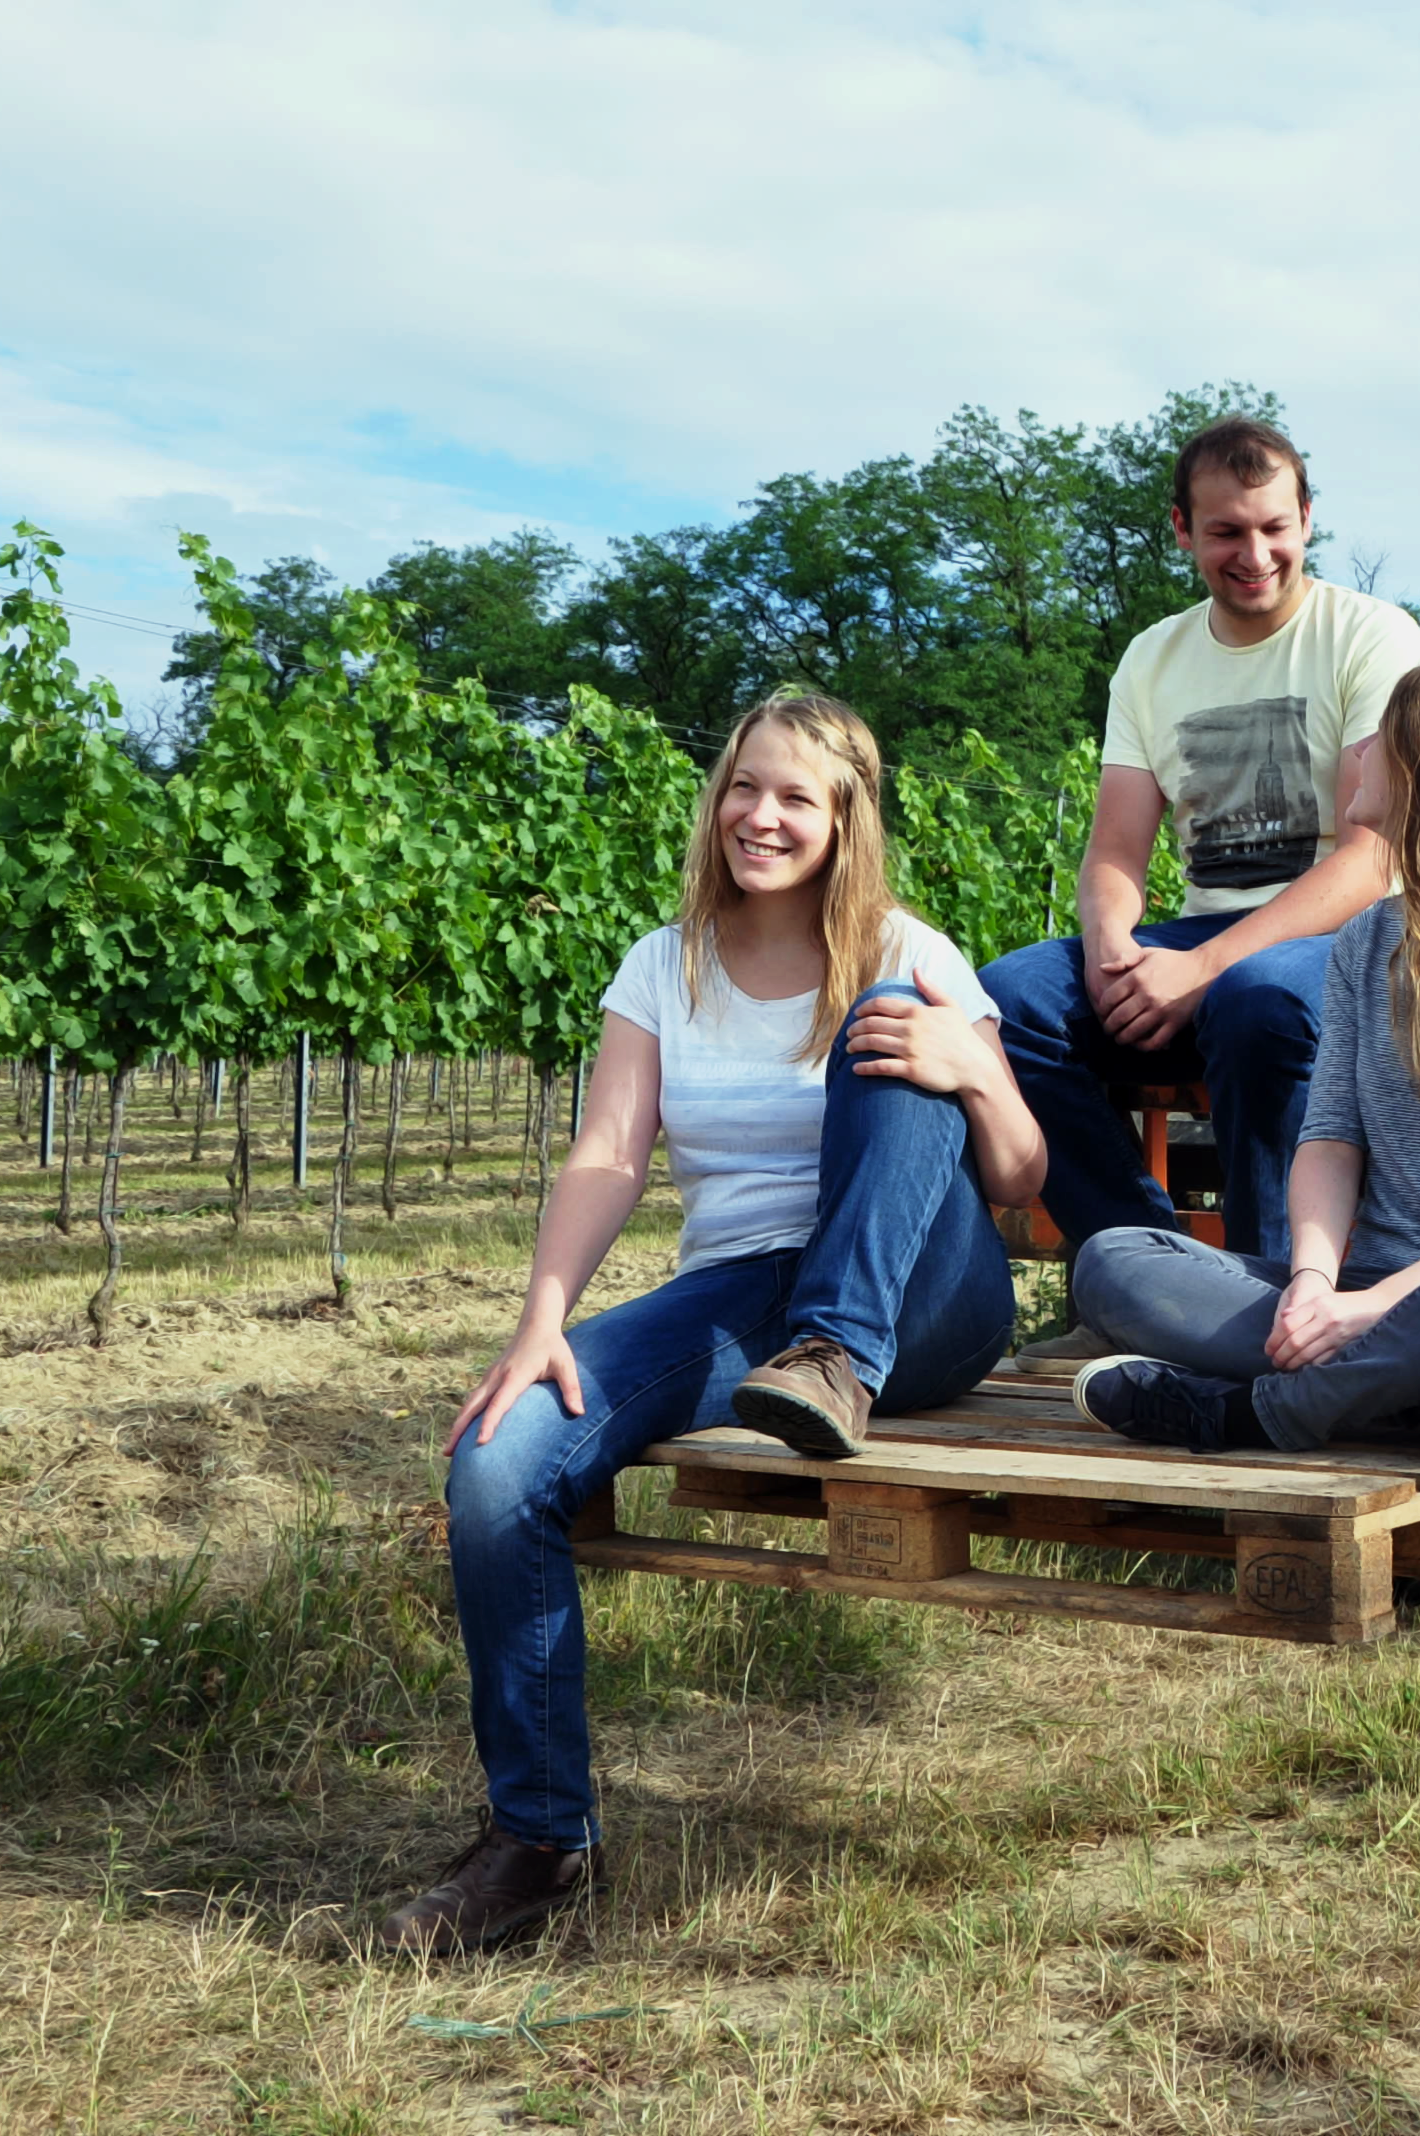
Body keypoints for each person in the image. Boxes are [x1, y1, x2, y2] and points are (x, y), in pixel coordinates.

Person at [375, 690, 1045, 1957]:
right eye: (746, 786)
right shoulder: (662, 962)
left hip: (927, 1296)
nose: (762, 815)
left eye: (797, 795)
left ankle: (842, 1352)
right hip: (750, 1298)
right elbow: (610, 1156)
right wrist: (540, 1321)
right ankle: (538, 1839)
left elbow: (1017, 1178)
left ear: (846, 818)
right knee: (498, 1458)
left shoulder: (914, 948)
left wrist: (967, 1066)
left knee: (887, 1026)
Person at [1062, 660, 1420, 1463]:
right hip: (1363, 1296)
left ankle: (1261, 1415)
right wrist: (1312, 1285)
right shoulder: (1366, 943)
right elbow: (1329, 1142)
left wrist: (1374, 1314)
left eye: (1383, 739)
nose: (1360, 749)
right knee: (1112, 1262)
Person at [985, 416, 1420, 1367]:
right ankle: (1141, 1276)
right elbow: (1114, 853)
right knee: (1011, 1001)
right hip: (1202, 941)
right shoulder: (1152, 658)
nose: (1255, 552)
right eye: (1226, 531)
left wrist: (1205, 963)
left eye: (1274, 526)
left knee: (1255, 1000)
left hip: (1348, 940)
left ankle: (1270, 1309)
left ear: (1308, 520)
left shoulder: (1370, 637)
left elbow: (1372, 860)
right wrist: (1113, 951)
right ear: (1182, 531)